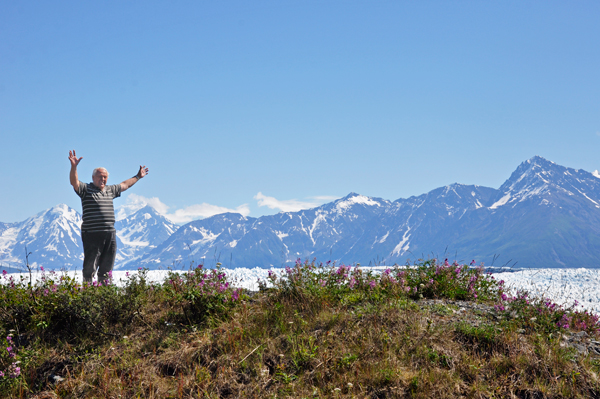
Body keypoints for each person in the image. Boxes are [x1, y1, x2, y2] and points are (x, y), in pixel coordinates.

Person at [68, 150, 149, 283]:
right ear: (93, 178)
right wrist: (74, 167)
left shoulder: (110, 190)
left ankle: (104, 295)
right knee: (90, 267)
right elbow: (74, 182)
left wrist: (138, 176)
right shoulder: (86, 189)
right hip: (92, 233)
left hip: (109, 234)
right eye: (100, 177)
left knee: (107, 267)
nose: (103, 179)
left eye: (105, 177)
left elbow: (125, 185)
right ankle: (87, 294)